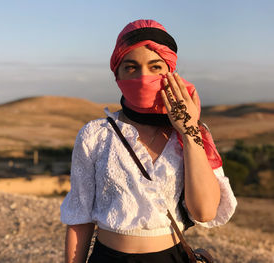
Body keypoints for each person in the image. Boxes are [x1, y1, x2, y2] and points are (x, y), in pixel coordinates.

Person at [60, 19, 237, 263]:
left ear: (170, 73)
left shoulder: (191, 135)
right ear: (117, 74)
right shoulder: (96, 134)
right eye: (131, 68)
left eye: (155, 67)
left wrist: (188, 129)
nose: (143, 77)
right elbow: (80, 217)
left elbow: (205, 212)